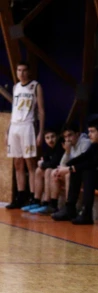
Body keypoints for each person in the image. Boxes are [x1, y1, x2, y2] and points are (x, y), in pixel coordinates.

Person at [51, 118, 98, 225]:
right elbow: (83, 157)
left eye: (92, 131)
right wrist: (65, 167)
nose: (89, 134)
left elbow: (94, 163)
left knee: (88, 171)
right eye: (89, 131)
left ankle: (86, 212)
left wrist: (70, 168)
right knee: (78, 170)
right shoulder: (95, 145)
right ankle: (70, 208)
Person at [5, 61, 45, 209]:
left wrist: (40, 132)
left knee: (30, 163)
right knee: (17, 163)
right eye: (19, 70)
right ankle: (21, 195)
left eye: (24, 70)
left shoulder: (35, 86)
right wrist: (8, 130)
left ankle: (33, 196)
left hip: (28, 126)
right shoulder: (15, 87)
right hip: (15, 126)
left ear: (29, 72)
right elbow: (14, 110)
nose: (21, 73)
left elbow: (41, 111)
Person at [20, 129, 64, 214]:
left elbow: (54, 163)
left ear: (57, 137)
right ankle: (36, 201)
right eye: (47, 138)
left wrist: (42, 163)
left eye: (52, 137)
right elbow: (45, 161)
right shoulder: (47, 148)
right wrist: (42, 163)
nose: (50, 140)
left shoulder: (60, 147)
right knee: (38, 171)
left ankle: (47, 203)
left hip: (61, 171)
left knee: (48, 171)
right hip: (54, 170)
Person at [50, 127, 91, 210]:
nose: (67, 139)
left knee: (69, 175)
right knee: (54, 172)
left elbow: (80, 162)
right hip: (74, 172)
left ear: (77, 134)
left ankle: (69, 207)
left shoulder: (85, 143)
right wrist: (67, 151)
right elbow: (62, 165)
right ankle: (53, 205)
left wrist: (66, 168)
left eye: (70, 135)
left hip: (85, 175)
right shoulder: (70, 145)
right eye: (65, 137)